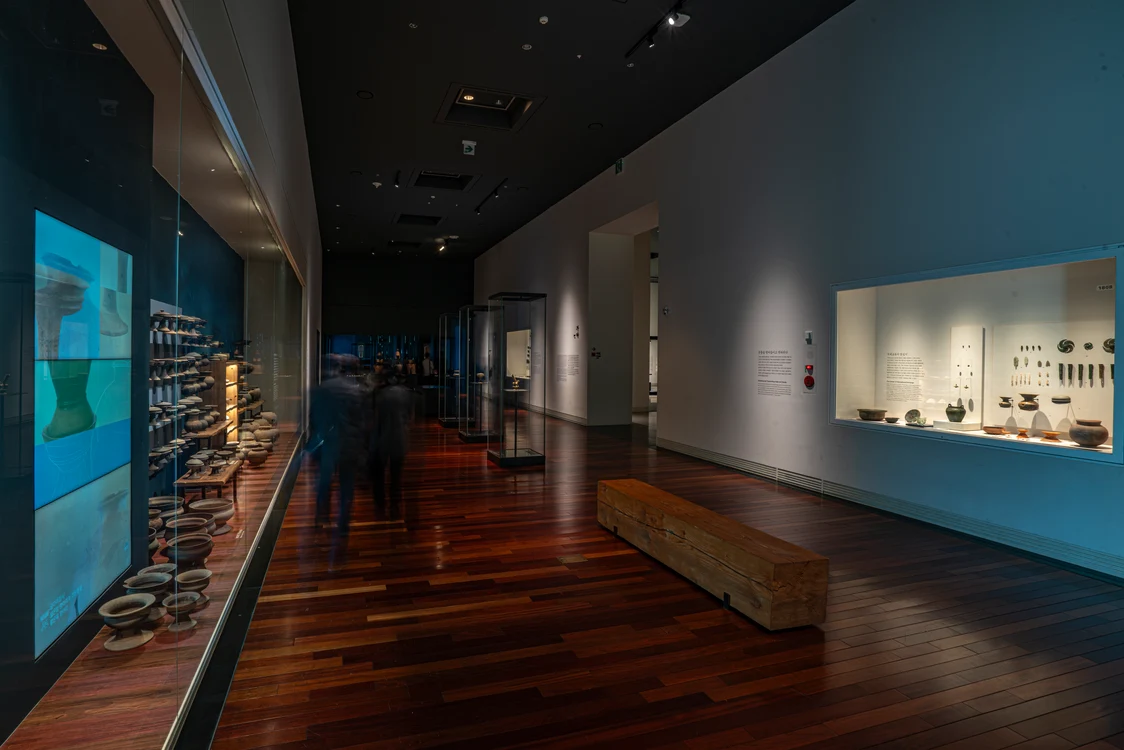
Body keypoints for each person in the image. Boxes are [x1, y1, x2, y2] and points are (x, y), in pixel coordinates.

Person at [309, 354, 363, 533]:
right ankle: (343, 523)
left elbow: (314, 418)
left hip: (328, 442)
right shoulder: (354, 390)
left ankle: (321, 516)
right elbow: (360, 420)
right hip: (349, 443)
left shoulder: (322, 388)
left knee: (324, 481)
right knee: (346, 485)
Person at [370, 367, 412, 515]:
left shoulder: (378, 394)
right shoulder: (404, 393)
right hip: (399, 438)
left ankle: (380, 503)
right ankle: (395, 505)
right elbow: (408, 415)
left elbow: (373, 417)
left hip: (381, 439)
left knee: (379, 475)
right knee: (396, 476)